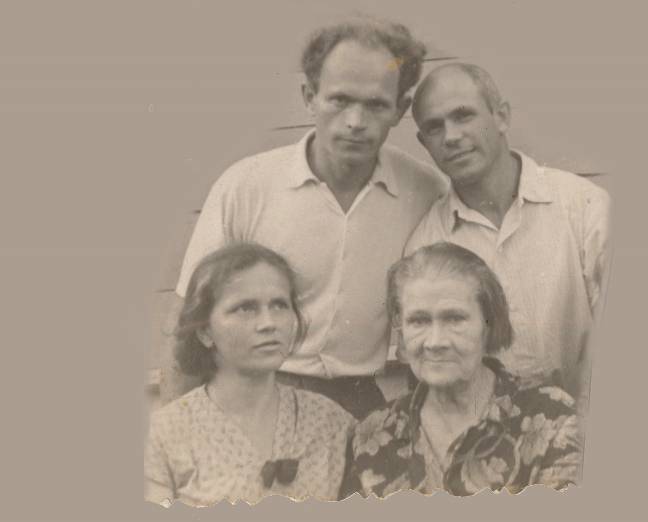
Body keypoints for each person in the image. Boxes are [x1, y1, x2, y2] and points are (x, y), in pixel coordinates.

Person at [159, 18, 446, 419]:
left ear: (399, 109)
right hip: (251, 398)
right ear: (309, 97)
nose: (355, 121)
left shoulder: (424, 190)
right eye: (339, 100)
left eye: (376, 105)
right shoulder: (246, 185)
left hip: (358, 405)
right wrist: (175, 433)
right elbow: (186, 324)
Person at [406, 63, 612, 409]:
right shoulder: (426, 246)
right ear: (423, 142)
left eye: (463, 116)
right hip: (488, 432)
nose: (451, 137)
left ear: (501, 116)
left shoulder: (583, 207)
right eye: (434, 127)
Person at [347, 242, 582, 497]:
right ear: (401, 332)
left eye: (454, 319)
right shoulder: (372, 434)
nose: (435, 342)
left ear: (489, 325)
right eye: (418, 321)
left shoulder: (553, 420)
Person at [145, 243, 356, 505]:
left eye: (279, 305)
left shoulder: (332, 424)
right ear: (204, 331)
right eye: (245, 308)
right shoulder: (163, 435)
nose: (269, 323)